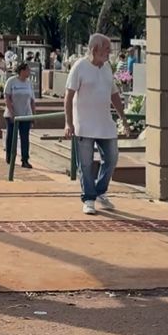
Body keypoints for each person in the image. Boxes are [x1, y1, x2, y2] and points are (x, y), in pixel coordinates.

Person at [64, 33, 125, 215]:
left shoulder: (106, 67)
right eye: (106, 49)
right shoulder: (79, 67)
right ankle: (89, 198)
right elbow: (68, 97)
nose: (109, 52)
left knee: (112, 158)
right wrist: (68, 123)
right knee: (85, 163)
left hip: (105, 123)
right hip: (83, 124)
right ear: (95, 49)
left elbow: (114, 94)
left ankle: (99, 191)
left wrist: (123, 117)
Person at [4, 63, 36, 169]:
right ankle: (10, 156)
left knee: (25, 137)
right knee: (11, 137)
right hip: (13, 114)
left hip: (25, 114)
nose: (29, 72)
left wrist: (33, 116)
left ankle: (25, 159)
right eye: (27, 70)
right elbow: (7, 97)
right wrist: (12, 112)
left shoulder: (29, 83)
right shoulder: (12, 81)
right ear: (22, 71)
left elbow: (32, 101)